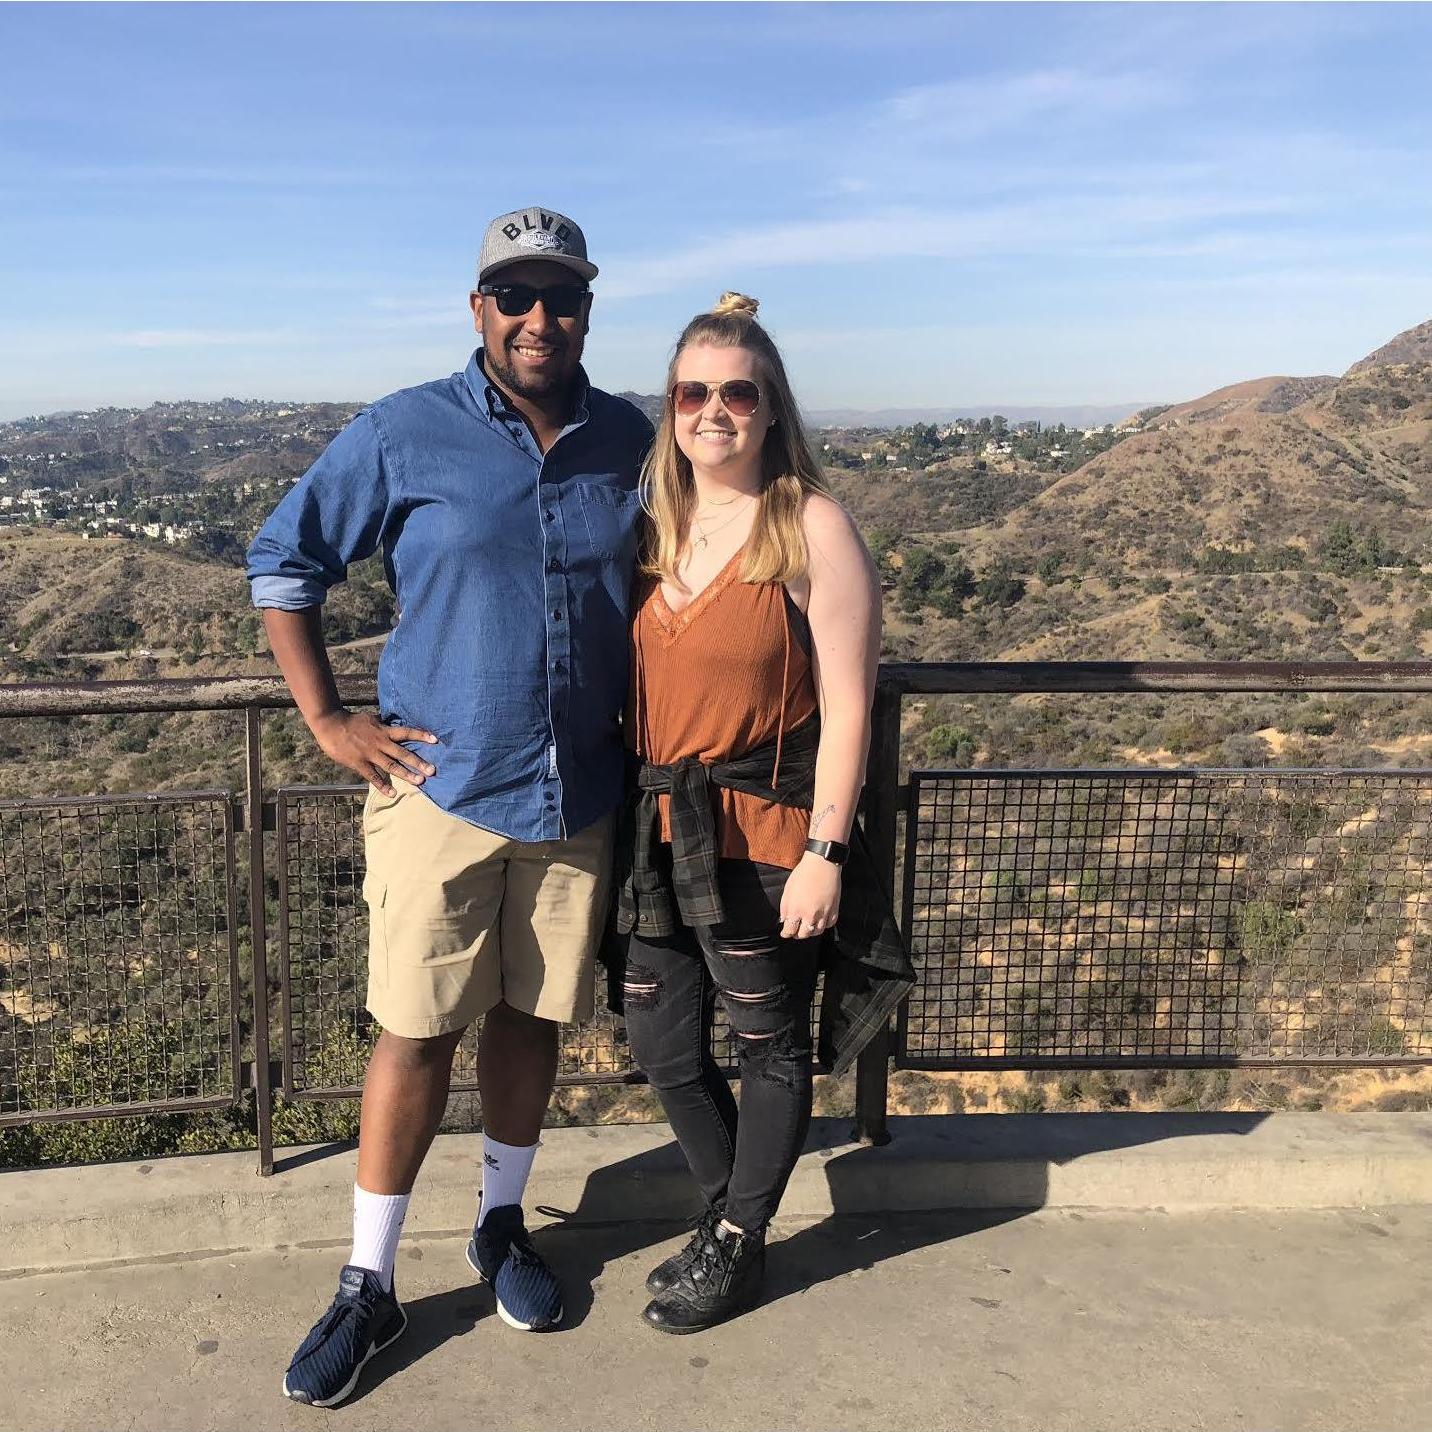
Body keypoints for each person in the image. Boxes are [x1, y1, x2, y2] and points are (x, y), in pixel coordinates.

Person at [245, 206, 652, 1406]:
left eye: (560, 297)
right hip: (441, 786)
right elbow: (284, 562)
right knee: (417, 1029)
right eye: (514, 296)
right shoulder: (405, 429)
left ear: (587, 308)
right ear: (476, 308)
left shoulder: (631, 436)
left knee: (531, 1021)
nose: (539, 318)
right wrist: (327, 719)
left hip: (578, 787)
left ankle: (501, 1224)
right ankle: (368, 1282)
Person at [611, 292, 913, 1334]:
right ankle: (727, 1210)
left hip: (769, 833)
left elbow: (850, 706)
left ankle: (738, 1241)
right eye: (692, 391)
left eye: (736, 391)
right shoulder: (657, 525)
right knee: (659, 1038)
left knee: (766, 1046)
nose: (712, 410)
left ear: (772, 408)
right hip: (663, 838)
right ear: (671, 408)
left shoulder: (809, 524)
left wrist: (828, 847)